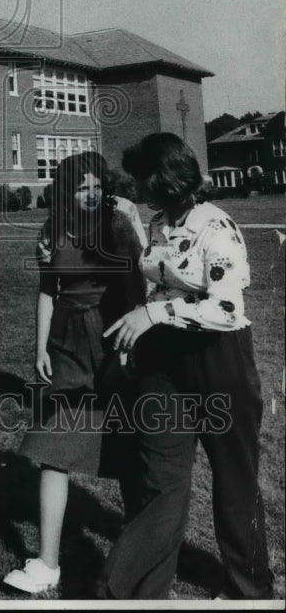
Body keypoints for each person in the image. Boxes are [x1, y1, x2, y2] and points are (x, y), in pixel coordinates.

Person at [97, 132, 273, 600]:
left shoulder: (217, 227)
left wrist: (154, 313)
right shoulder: (156, 225)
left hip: (220, 362)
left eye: (141, 178)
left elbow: (228, 309)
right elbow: (160, 285)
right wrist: (141, 331)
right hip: (163, 364)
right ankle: (131, 591)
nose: (134, 186)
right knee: (160, 482)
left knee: (234, 481)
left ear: (165, 178)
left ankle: (250, 591)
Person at [3, 151, 146, 595]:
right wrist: (40, 345)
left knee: (127, 447)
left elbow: (136, 286)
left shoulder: (118, 223)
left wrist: (128, 349)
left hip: (112, 337)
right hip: (66, 341)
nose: (90, 194)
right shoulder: (53, 227)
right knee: (53, 445)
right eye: (81, 186)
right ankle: (47, 563)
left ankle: (142, 551)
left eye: (97, 186)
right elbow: (49, 289)